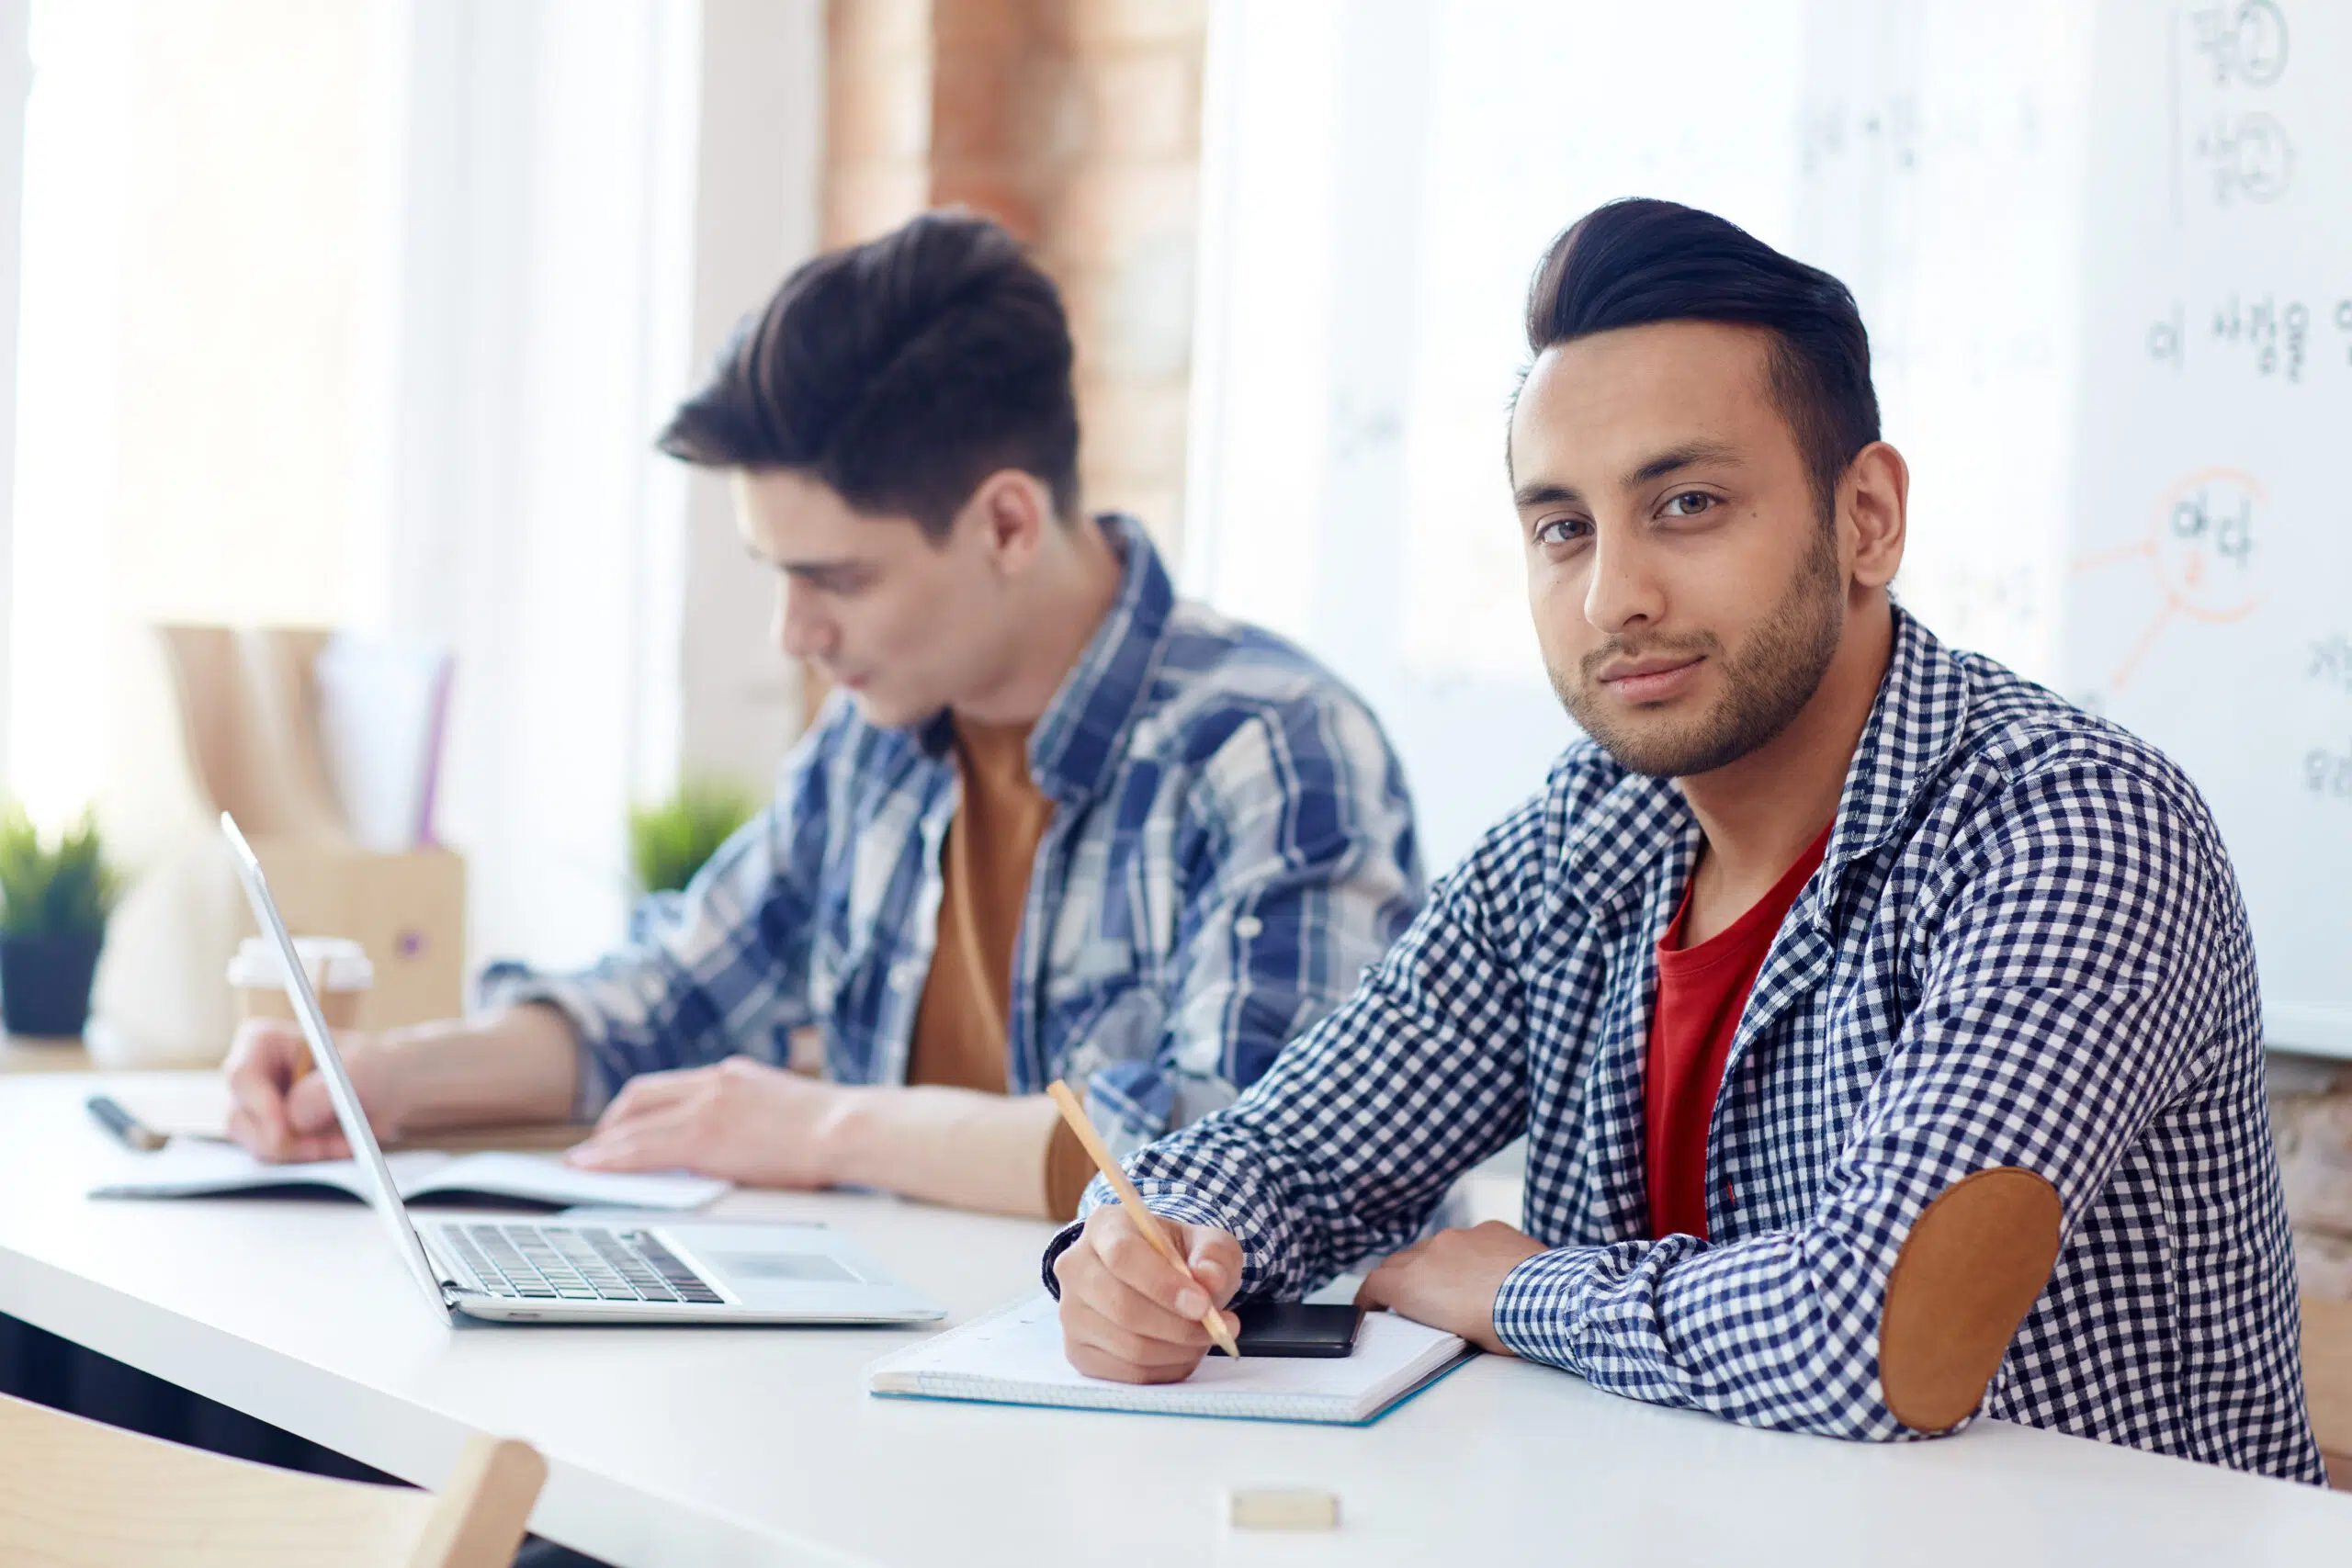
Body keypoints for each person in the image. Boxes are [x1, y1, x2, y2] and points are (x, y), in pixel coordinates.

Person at [1044, 197, 2324, 1482]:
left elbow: (1871, 1332)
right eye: (1563, 529)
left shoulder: (2075, 825)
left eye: (1689, 502)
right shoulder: (1584, 829)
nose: (1614, 595)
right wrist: (1140, 1247)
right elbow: (1293, 1145)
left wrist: (1518, 1286)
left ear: (1867, 516)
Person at [223, 210, 1423, 1224]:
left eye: (836, 579)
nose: (792, 634)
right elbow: (665, 998)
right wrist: (380, 1078)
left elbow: (1240, 1154)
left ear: (1007, 523)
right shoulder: (877, 743)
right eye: (775, 573)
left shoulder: (1270, 749)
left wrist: (831, 1125)